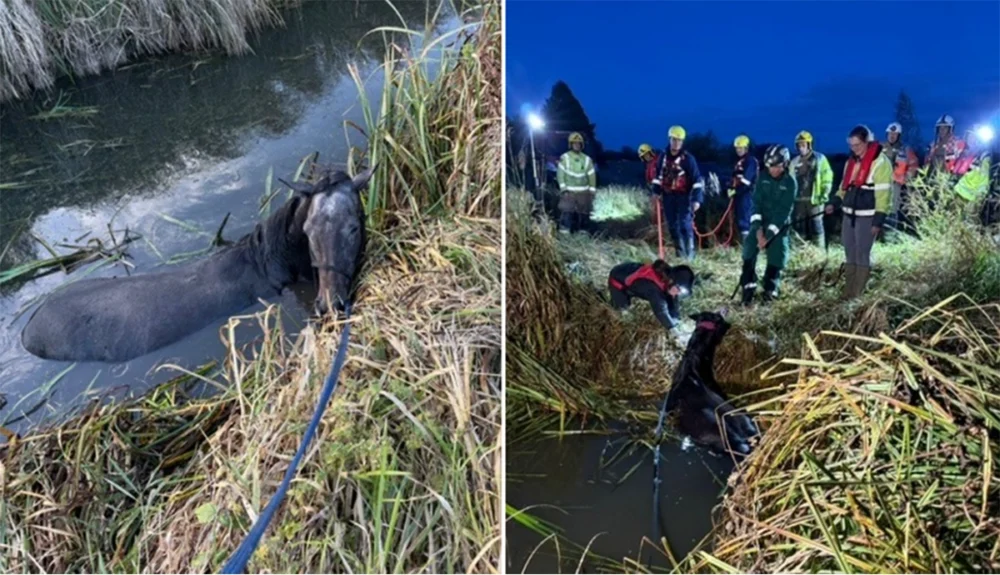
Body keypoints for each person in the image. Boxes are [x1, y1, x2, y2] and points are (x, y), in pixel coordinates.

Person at [825, 125, 893, 300]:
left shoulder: (881, 162)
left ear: (867, 142)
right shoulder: (851, 162)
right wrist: (835, 201)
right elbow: (843, 188)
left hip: (867, 216)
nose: (854, 149)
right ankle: (848, 289)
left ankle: (858, 293)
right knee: (849, 251)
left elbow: (883, 193)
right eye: (851, 145)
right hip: (849, 215)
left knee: (862, 253)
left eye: (857, 145)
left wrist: (878, 219)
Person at [739, 145, 797, 306]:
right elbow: (756, 203)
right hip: (760, 222)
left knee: (777, 254)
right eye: (770, 166)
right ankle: (748, 287)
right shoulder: (762, 177)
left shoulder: (790, 183)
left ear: (784, 164)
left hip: (778, 226)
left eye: (776, 166)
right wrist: (758, 230)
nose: (772, 170)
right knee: (749, 250)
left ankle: (771, 288)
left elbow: (783, 211)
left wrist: (769, 236)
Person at [650, 125, 704, 260]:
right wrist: (656, 192)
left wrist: (697, 200)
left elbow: (697, 180)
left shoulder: (688, 159)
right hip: (668, 196)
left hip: (684, 196)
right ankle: (679, 253)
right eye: (674, 139)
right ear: (669, 139)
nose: (676, 143)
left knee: (685, 224)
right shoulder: (662, 157)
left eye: (679, 140)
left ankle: (690, 254)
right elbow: (658, 177)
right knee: (672, 225)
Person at [608, 259, 687, 331]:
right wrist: (673, 329)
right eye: (678, 289)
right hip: (618, 278)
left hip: (630, 271)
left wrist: (676, 319)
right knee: (621, 311)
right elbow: (661, 311)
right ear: (671, 281)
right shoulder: (653, 289)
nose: (678, 293)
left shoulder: (669, 278)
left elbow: (672, 301)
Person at [788, 130, 834, 249]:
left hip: (815, 199)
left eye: (803, 145)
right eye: (798, 145)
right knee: (799, 226)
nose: (801, 148)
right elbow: (789, 181)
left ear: (809, 145)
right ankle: (800, 251)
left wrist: (825, 193)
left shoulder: (819, 158)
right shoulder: (794, 162)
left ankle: (820, 251)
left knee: (816, 226)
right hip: (798, 200)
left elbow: (827, 177)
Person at [883, 122, 920, 235]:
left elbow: (914, 165)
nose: (892, 136)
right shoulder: (880, 148)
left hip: (896, 184)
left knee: (892, 209)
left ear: (899, 135)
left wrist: (905, 178)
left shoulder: (905, 150)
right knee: (879, 207)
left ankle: (890, 235)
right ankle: (878, 234)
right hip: (881, 182)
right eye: (890, 133)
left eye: (895, 134)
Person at [556, 132, 597, 234]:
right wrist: (564, 189)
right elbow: (560, 175)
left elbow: (592, 176)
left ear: (582, 145)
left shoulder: (587, 159)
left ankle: (583, 234)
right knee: (567, 212)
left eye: (579, 143)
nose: (577, 145)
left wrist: (592, 191)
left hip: (584, 192)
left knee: (584, 213)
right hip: (568, 192)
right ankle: (564, 234)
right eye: (574, 143)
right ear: (570, 144)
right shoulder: (564, 158)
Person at [728, 135, 759, 244]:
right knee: (741, 219)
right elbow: (734, 177)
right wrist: (730, 188)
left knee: (746, 219)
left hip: (748, 194)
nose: (738, 150)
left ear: (746, 148)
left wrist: (736, 191)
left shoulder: (750, 161)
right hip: (740, 194)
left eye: (740, 148)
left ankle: (749, 245)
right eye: (737, 148)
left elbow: (746, 182)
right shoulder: (739, 162)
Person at [639, 143, 662, 226]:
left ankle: (659, 227)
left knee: (659, 209)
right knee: (654, 209)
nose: (646, 157)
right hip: (653, 190)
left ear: (650, 153)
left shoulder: (658, 161)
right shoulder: (649, 164)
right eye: (644, 156)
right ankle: (655, 226)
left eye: (647, 154)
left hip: (661, 190)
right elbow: (649, 178)